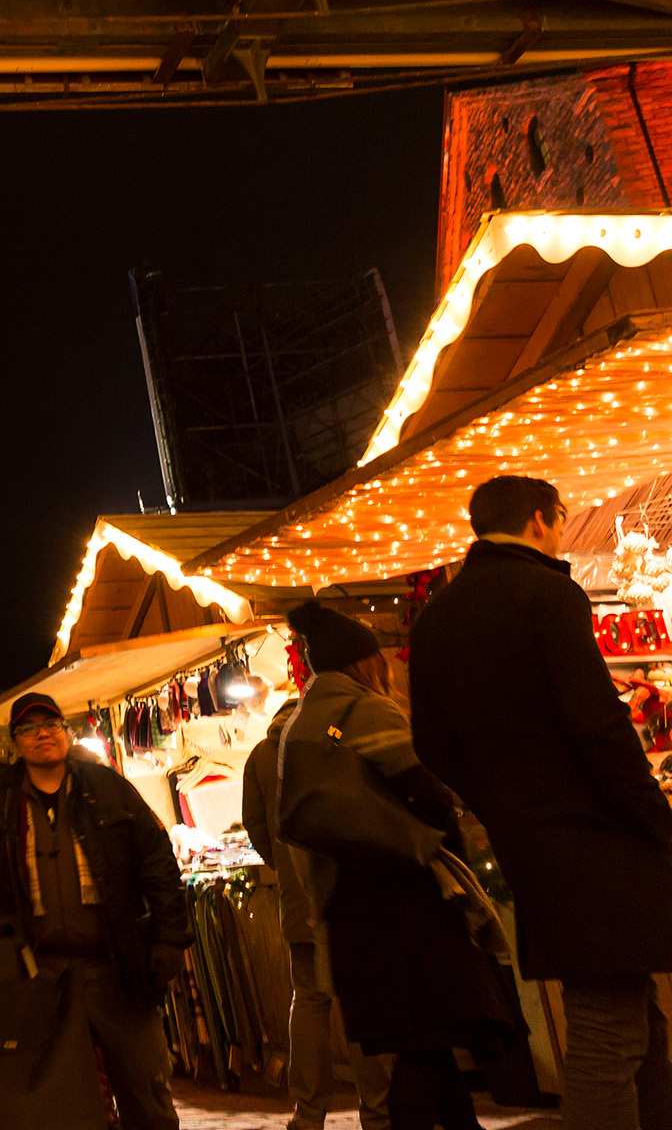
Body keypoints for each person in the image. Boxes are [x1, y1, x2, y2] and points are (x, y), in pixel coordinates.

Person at [410, 474, 672, 1130]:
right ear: (538, 519)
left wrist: (504, 807)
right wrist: (654, 818)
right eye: (559, 518)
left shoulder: (438, 616)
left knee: (632, 1016)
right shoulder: (548, 593)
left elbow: (431, 744)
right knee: (607, 1029)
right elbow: (597, 727)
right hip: (599, 843)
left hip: (533, 847)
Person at [281, 599, 518, 1130]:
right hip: (405, 897)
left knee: (421, 1044)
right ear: (364, 662)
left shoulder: (304, 723)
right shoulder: (364, 709)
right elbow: (425, 789)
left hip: (351, 900)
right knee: (425, 1040)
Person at [0, 691, 191, 1130]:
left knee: (146, 1094)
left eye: (50, 725)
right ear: (16, 742)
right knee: (62, 1102)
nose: (42, 736)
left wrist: (169, 937)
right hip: (42, 974)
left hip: (117, 968)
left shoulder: (107, 788)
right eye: (29, 729)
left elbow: (157, 861)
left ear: (66, 733)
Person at [242, 693, 392, 1130]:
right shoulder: (334, 740)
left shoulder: (261, 756)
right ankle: (378, 1113)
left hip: (298, 901)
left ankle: (308, 1115)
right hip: (348, 897)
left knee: (308, 1001)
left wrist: (286, 871)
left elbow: (255, 824)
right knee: (359, 1000)